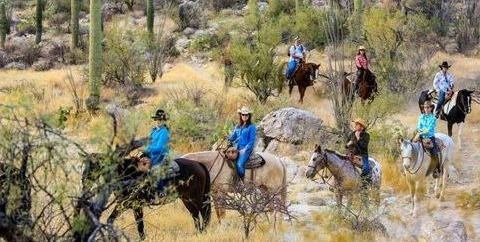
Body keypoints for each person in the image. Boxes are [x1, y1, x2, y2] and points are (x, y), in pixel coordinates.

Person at [143, 109, 170, 201]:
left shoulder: (164, 132)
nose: (158, 121)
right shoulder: (153, 131)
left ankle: (160, 191)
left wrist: (147, 149)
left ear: (164, 121)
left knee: (154, 169)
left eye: (161, 120)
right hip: (151, 154)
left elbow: (159, 149)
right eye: (157, 119)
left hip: (161, 155)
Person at [228, 106, 257, 181]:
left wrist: (244, 149)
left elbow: (252, 141)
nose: (244, 116)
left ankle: (242, 182)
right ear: (240, 115)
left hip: (246, 149)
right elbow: (233, 137)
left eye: (246, 115)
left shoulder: (251, 127)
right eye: (243, 115)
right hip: (236, 149)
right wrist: (227, 138)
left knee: (239, 164)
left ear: (249, 116)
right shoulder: (237, 126)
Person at [417, 101, 440, 178]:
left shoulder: (433, 118)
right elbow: (419, 127)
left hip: (430, 137)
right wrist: (420, 132)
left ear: (431, 108)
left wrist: (422, 132)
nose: (426, 109)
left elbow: (429, 129)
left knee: (434, 153)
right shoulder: (421, 117)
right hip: (421, 136)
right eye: (425, 107)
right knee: (410, 146)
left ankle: (436, 170)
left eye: (428, 107)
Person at [346, 118, 371, 185]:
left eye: (357, 124)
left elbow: (364, 146)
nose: (355, 126)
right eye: (355, 124)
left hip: (362, 156)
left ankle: (364, 187)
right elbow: (346, 145)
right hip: (351, 155)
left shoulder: (366, 135)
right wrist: (348, 144)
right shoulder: (352, 134)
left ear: (362, 127)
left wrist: (358, 138)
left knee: (366, 169)